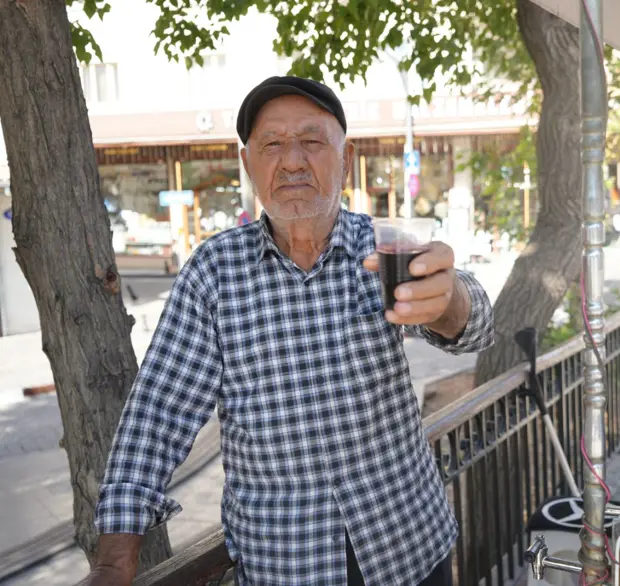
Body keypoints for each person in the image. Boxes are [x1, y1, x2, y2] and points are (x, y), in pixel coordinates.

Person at [78, 76, 495, 586]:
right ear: (248, 163)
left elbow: (475, 327)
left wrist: (449, 301)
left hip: (408, 546)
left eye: (312, 141)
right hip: (286, 564)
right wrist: (113, 562)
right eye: (272, 144)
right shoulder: (215, 272)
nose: (292, 161)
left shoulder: (382, 247)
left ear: (346, 158)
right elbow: (158, 413)